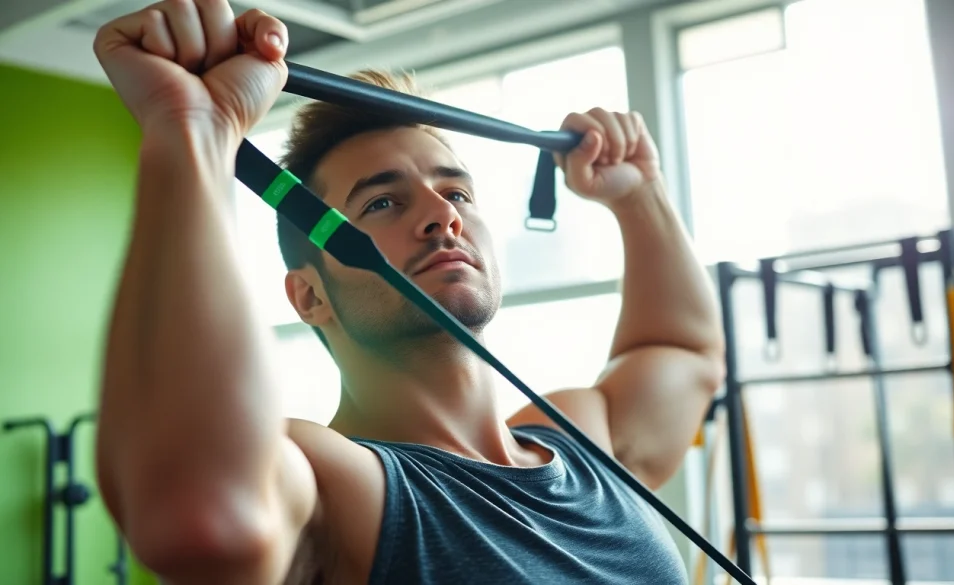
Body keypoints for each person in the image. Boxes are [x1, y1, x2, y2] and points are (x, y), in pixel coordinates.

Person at [92, 2, 725, 584]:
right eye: (382, 202)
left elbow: (684, 353)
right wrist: (193, 131)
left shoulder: (581, 441)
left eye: (457, 193)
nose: (442, 215)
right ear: (309, 297)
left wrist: (641, 194)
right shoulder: (343, 485)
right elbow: (200, 512)